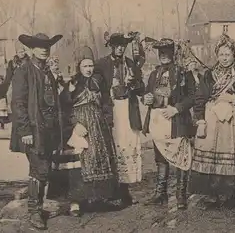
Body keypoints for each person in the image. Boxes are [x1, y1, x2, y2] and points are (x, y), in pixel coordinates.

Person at [191, 34, 235, 209]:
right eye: (221, 54)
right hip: (213, 118)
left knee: (232, 153)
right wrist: (200, 119)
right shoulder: (209, 74)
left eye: (228, 54)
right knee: (212, 155)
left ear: (234, 54)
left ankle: (231, 194)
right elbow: (200, 97)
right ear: (217, 55)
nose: (224, 58)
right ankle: (212, 194)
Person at [52, 46, 119, 217]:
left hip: (98, 124)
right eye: (85, 66)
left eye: (90, 66)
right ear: (79, 67)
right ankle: (76, 201)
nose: (88, 69)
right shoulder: (72, 84)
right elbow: (65, 108)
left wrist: (107, 118)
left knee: (99, 157)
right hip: (80, 124)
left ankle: (98, 197)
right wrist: (74, 124)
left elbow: (105, 101)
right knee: (79, 161)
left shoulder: (98, 80)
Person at [10, 32, 64, 230]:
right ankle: (34, 212)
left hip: (49, 129)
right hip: (33, 130)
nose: (44, 49)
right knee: (38, 169)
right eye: (40, 46)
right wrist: (25, 130)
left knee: (46, 169)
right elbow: (18, 104)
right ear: (31, 49)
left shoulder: (47, 72)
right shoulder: (23, 71)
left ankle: (39, 207)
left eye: (47, 46)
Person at [142, 38, 196, 210]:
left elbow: (193, 96)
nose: (164, 55)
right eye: (161, 52)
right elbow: (147, 94)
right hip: (158, 120)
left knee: (181, 155)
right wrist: (146, 98)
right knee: (160, 157)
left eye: (167, 52)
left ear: (173, 53)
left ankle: (181, 194)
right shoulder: (154, 74)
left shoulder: (183, 73)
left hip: (176, 120)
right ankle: (161, 193)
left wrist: (177, 108)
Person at [94, 32, 145, 207]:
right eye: (117, 45)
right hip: (112, 109)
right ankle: (109, 191)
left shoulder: (131, 64)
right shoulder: (101, 64)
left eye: (123, 45)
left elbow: (141, 88)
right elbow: (95, 86)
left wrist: (133, 83)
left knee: (126, 148)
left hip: (127, 109)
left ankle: (124, 192)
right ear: (111, 46)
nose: (121, 48)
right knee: (112, 148)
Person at [1, 42, 29, 119]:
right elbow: (8, 75)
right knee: (14, 100)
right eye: (20, 52)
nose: (22, 53)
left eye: (23, 51)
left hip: (26, 84)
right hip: (15, 85)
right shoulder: (12, 62)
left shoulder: (29, 62)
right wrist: (4, 86)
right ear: (16, 53)